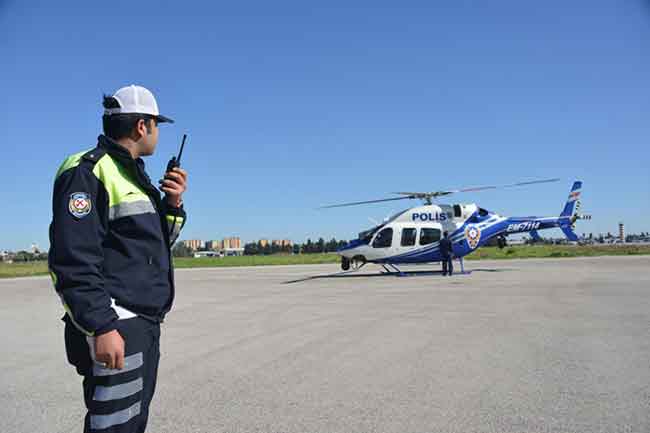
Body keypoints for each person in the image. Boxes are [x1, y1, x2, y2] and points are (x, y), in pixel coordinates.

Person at [48, 85, 188, 433]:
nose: (157, 132)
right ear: (142, 126)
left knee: (131, 421)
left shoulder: (135, 177)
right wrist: (102, 325)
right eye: (156, 124)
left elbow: (154, 252)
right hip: (117, 324)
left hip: (141, 324)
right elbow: (72, 259)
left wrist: (172, 206)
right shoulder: (88, 171)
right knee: (114, 426)